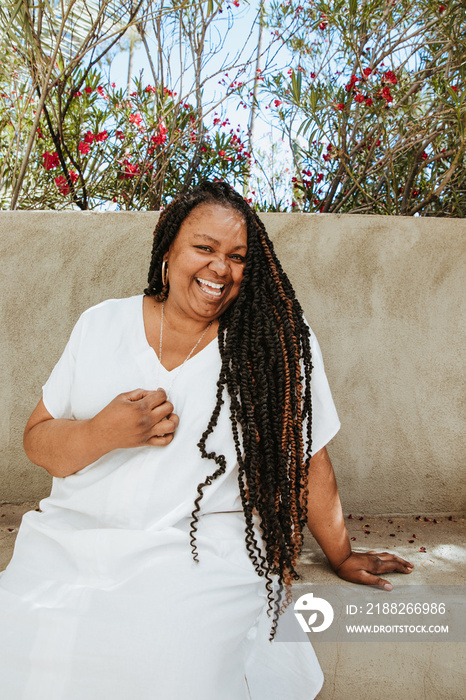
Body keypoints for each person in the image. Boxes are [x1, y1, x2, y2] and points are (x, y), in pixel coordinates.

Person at [0, 180, 413, 699]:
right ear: (169, 246)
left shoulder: (273, 341)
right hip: (72, 543)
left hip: (196, 556)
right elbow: (38, 442)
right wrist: (101, 432)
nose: (221, 268)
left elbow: (307, 457)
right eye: (205, 248)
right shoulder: (100, 324)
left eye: (237, 257)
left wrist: (341, 552)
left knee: (170, 669)